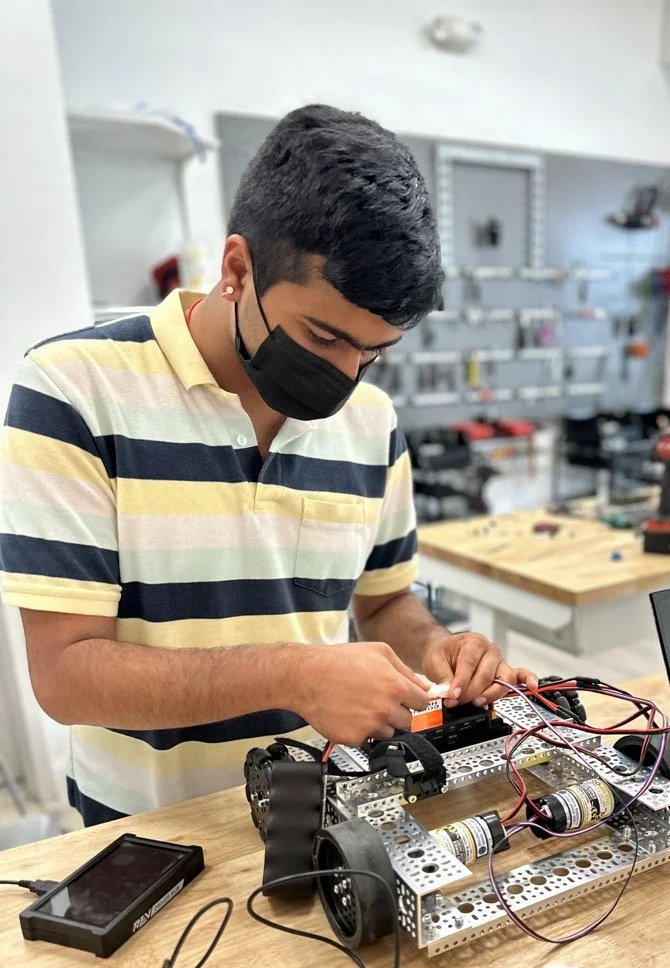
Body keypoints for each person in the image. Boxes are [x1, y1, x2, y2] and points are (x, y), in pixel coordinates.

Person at [0, 104, 536, 825]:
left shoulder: (372, 424)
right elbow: (66, 674)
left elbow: (383, 604)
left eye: (374, 352)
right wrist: (295, 671)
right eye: (322, 336)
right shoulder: (74, 390)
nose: (347, 375)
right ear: (237, 268)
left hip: (324, 814)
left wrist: (442, 651)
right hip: (149, 832)